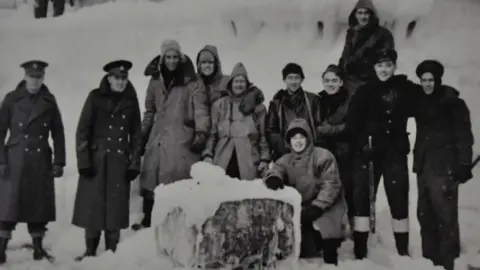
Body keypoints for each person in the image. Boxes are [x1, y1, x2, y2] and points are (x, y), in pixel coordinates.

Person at [131, 40, 210, 231]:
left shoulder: (192, 81)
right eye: (168, 57)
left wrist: (201, 132)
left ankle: (174, 224)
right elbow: (149, 110)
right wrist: (143, 135)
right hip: (157, 137)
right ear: (162, 58)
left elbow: (200, 109)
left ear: (180, 57)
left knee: (176, 181)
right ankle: (148, 220)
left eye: (175, 57)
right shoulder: (155, 80)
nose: (172, 61)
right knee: (151, 178)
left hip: (180, 138)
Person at [346, 48, 417, 259]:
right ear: (373, 68)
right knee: (363, 198)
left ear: (394, 66)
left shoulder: (404, 88)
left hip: (395, 152)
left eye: (388, 65)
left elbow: (426, 100)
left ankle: (402, 248)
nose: (384, 70)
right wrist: (361, 145)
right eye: (379, 65)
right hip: (368, 153)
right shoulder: (363, 91)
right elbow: (352, 124)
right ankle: (360, 249)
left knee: (399, 196)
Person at [72, 60, 143, 260]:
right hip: (96, 160)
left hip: (119, 161)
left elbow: (136, 134)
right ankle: (90, 251)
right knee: (93, 207)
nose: (121, 82)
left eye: (124, 78)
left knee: (115, 208)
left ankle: (112, 253)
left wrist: (134, 163)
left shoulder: (130, 100)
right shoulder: (95, 97)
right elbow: (82, 131)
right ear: (109, 78)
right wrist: (83, 161)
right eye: (117, 78)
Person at [0, 60, 66, 264]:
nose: (35, 81)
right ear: (25, 77)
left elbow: (58, 132)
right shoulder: (11, 99)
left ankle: (38, 247)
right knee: (8, 205)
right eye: (32, 77)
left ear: (43, 78)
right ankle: (1, 248)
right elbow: (0, 131)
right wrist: (1, 161)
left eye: (39, 77)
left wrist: (59, 161)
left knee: (39, 206)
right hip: (16, 158)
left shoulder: (49, 100)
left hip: (40, 159)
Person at [412, 60, 474, 270]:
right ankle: (428, 260)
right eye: (424, 80)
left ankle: (449, 261)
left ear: (438, 80)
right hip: (423, 166)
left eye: (431, 80)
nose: (427, 84)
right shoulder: (420, 101)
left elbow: (464, 135)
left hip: (444, 166)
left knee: (445, 215)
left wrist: (464, 163)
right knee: (424, 213)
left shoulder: (453, 103)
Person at [263, 118, 346, 264]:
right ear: (289, 141)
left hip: (326, 206)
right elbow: (275, 169)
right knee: (302, 247)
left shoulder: (323, 156)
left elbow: (331, 184)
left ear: (308, 138)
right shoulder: (286, 159)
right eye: (294, 138)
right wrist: (274, 177)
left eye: (301, 137)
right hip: (303, 207)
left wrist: (318, 206)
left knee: (327, 237)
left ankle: (331, 247)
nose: (298, 141)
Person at [202, 62, 270, 180]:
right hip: (222, 159)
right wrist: (208, 154)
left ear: (247, 84)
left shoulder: (258, 108)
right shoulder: (219, 105)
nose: (239, 85)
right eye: (236, 81)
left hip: (248, 161)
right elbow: (212, 135)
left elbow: (263, 137)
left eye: (242, 81)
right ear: (231, 84)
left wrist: (264, 159)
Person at [316, 64, 354, 228]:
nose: (330, 84)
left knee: (348, 190)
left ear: (341, 82)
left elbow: (352, 126)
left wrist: (329, 130)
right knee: (326, 190)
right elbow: (315, 126)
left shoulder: (350, 101)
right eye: (327, 80)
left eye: (334, 80)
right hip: (324, 152)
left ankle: (351, 226)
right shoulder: (317, 100)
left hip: (345, 152)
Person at [266, 63, 322, 161]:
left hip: (310, 153)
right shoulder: (276, 104)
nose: (293, 81)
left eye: (296, 78)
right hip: (285, 154)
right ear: (284, 80)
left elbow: (319, 126)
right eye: (290, 78)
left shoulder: (313, 100)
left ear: (302, 79)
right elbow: (271, 131)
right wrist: (284, 148)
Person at [338, 0, 395, 95]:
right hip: (348, 83)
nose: (363, 17)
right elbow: (345, 56)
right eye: (360, 13)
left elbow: (386, 62)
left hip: (371, 84)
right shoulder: (351, 33)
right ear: (355, 14)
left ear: (371, 15)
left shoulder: (383, 34)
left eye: (366, 13)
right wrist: (338, 73)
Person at [195, 45, 265, 113]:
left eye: (210, 62)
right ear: (199, 65)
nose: (207, 65)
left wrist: (250, 98)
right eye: (203, 62)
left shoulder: (226, 81)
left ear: (215, 64)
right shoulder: (194, 82)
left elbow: (250, 89)